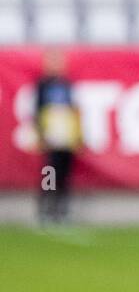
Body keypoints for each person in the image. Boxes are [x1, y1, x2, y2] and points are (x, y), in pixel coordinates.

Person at [34, 48, 82, 224]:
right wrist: (41, 134)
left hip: (66, 137)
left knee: (64, 175)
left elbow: (73, 111)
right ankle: (46, 207)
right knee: (50, 173)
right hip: (51, 137)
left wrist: (77, 137)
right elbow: (38, 111)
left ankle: (61, 210)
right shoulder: (43, 85)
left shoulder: (67, 85)